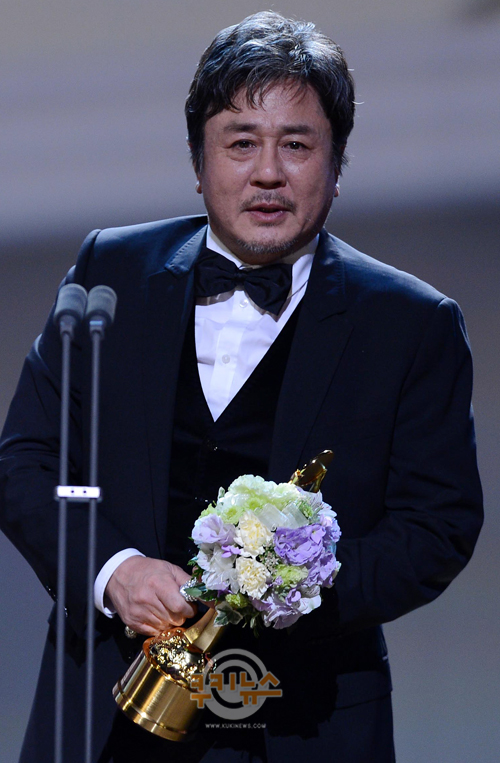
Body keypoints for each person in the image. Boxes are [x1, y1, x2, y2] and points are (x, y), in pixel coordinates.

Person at [0, 11, 483, 763]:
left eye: (297, 145)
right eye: (241, 143)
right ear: (199, 161)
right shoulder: (110, 274)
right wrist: (112, 571)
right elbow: (28, 462)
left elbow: (438, 525)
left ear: (336, 163)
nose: (268, 173)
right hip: (106, 713)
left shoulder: (411, 323)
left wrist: (297, 587)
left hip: (305, 724)